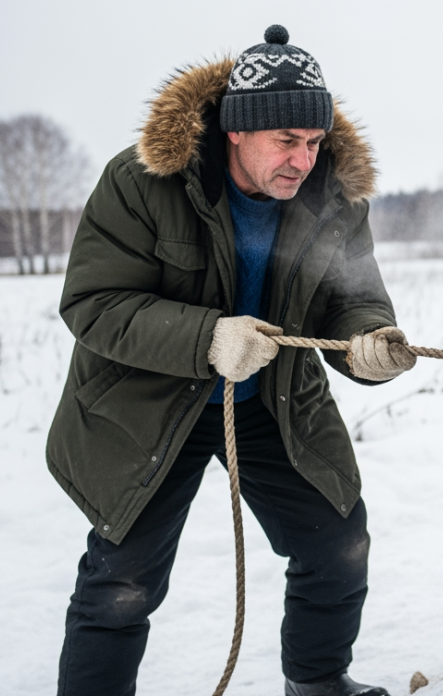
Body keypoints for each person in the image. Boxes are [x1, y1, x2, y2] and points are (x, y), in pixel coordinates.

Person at [46, 25, 411, 696]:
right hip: (148, 408)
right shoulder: (141, 182)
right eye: (286, 142)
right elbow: (93, 303)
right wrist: (207, 337)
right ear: (236, 132)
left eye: (313, 142)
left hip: (271, 402)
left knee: (337, 541)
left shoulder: (331, 198)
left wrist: (372, 343)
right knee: (123, 584)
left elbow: (353, 298)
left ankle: (318, 682)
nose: (302, 161)